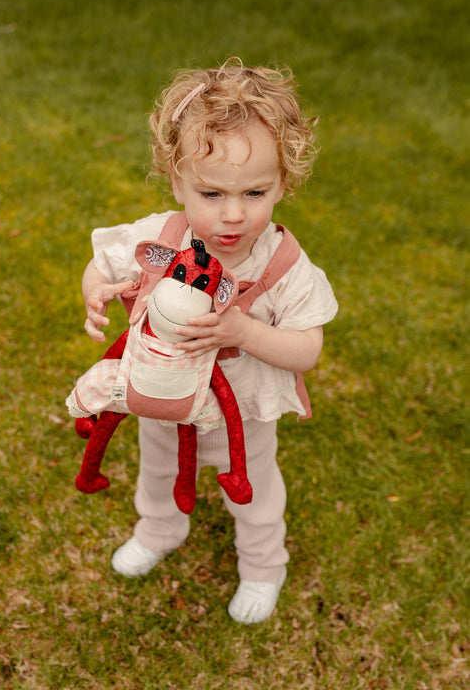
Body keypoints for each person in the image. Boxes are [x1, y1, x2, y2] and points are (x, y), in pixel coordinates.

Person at [79, 57, 338, 624]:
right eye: (212, 193)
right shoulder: (159, 237)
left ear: (283, 183)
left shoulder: (285, 266)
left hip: (241, 413)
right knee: (157, 470)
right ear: (177, 181)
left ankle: (264, 564)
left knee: (254, 491)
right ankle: (159, 529)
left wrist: (244, 331)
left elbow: (308, 350)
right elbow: (100, 267)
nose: (234, 213)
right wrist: (97, 293)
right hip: (162, 399)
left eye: (254, 192)